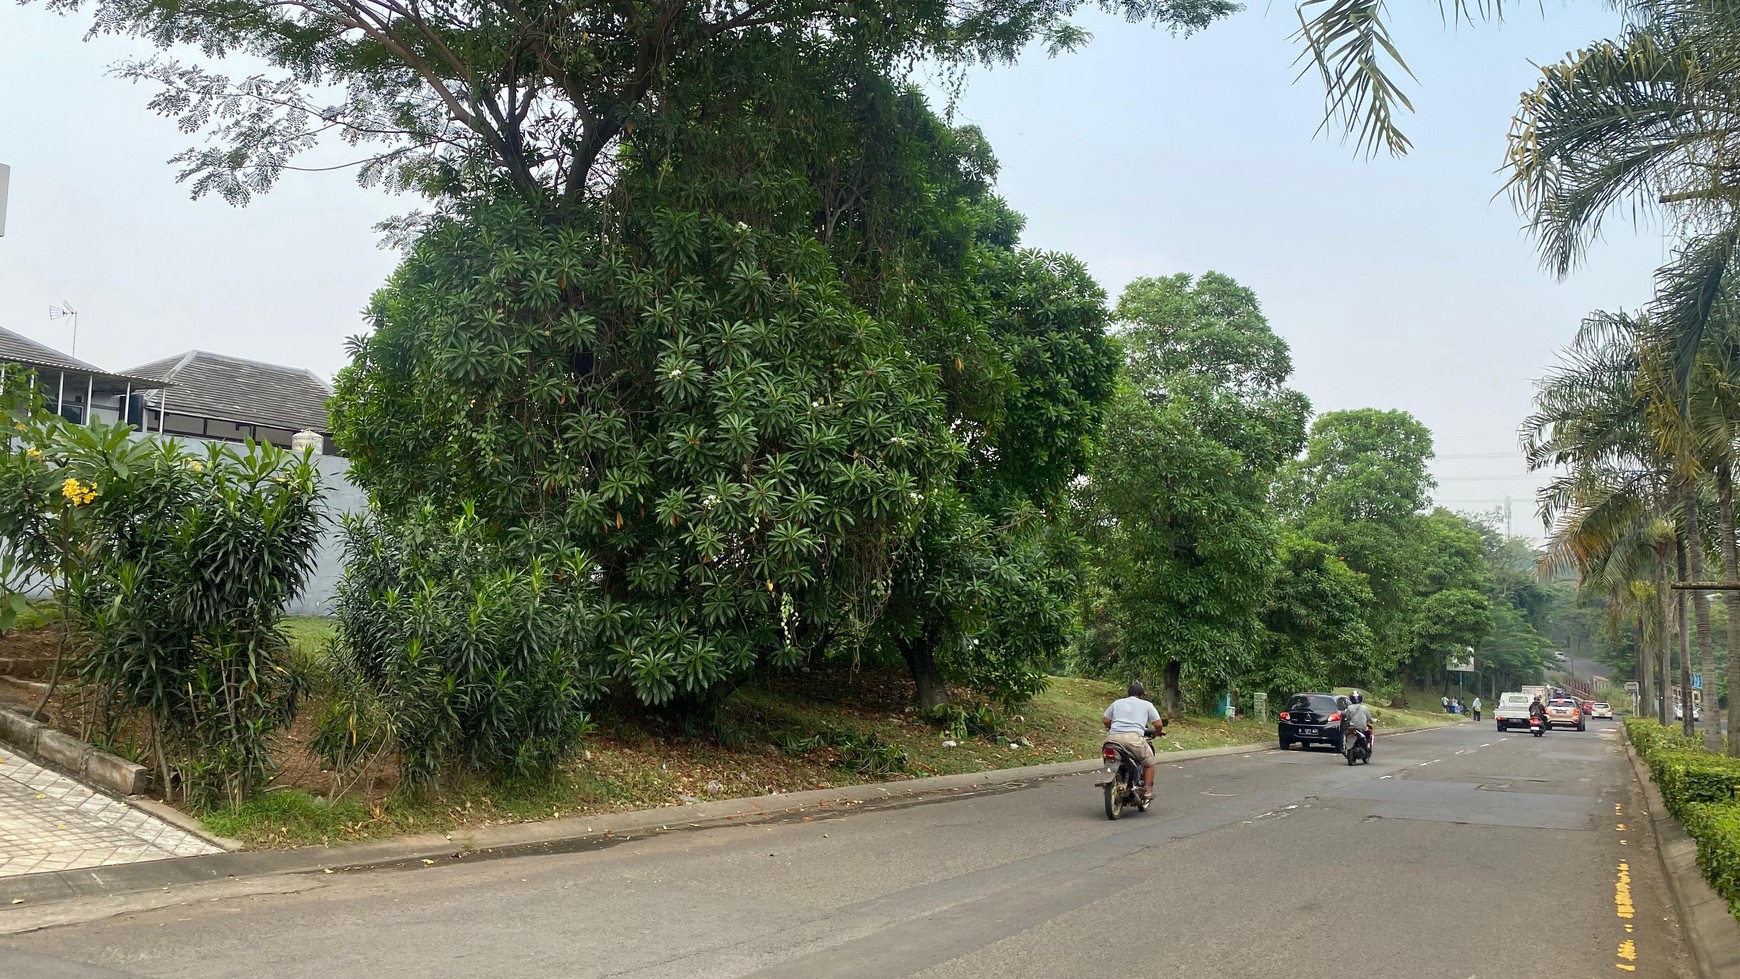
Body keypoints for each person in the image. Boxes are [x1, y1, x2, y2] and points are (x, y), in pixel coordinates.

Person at [1103, 682, 1164, 802]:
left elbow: (1105, 720)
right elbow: (1158, 724)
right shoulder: (1146, 705)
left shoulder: (1117, 703)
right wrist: (1157, 732)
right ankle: (1147, 791)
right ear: (1142, 695)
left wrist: (1111, 727)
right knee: (1149, 762)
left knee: (1109, 757)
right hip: (1133, 739)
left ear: (1128, 694)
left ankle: (1112, 775)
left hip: (1112, 738)